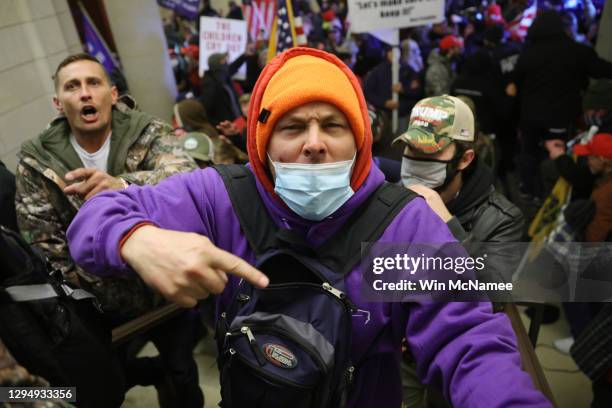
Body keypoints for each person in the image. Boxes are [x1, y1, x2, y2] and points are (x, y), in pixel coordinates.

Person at [67, 48, 551, 407]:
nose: (314, 144)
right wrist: (137, 239)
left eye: (333, 126)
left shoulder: (402, 224)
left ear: (360, 140)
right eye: (293, 127)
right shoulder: (221, 197)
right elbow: (94, 219)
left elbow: (468, 339)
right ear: (262, 143)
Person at [14, 53, 203, 407]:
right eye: (73, 86)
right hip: (98, 310)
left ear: (112, 94)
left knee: (182, 376)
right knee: (108, 386)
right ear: (58, 103)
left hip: (168, 293)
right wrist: (102, 284)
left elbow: (188, 180)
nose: (85, 93)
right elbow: (43, 245)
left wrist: (124, 184)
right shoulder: (36, 162)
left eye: (93, 83)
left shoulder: (147, 132)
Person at [393, 96, 525, 406]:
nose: (415, 159)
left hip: (449, 357)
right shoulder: (392, 194)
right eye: (411, 148)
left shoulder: (502, 219)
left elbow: (491, 299)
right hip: (394, 355)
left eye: (431, 151)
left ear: (464, 159)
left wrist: (448, 227)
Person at [508, 10, 612, 199]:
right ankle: (553, 195)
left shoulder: (528, 53)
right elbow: (602, 70)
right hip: (560, 119)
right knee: (557, 154)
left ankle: (530, 191)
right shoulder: (578, 51)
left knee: (529, 153)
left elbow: (516, 83)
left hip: (530, 117)